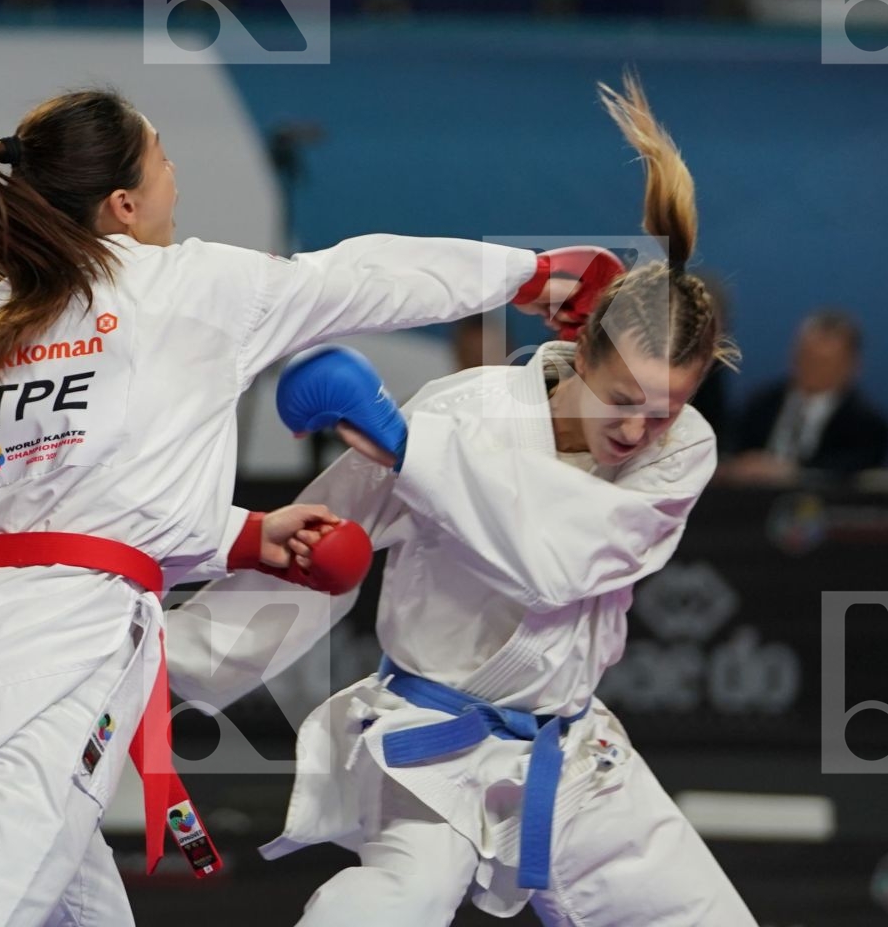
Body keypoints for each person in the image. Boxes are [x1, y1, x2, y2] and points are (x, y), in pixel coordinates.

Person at [0, 88, 613, 927]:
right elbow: (366, 275)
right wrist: (534, 274)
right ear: (124, 204)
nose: (175, 176)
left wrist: (241, 535)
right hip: (56, 660)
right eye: (162, 158)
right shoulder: (188, 284)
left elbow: (12, 518)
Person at [168, 75, 758, 926]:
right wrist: (168, 671)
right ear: (581, 353)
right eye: (623, 397)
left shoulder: (682, 452)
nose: (640, 428)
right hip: (431, 747)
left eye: (665, 409)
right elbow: (316, 554)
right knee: (399, 897)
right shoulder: (462, 412)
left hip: (571, 750)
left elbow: (560, 559)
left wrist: (413, 455)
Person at [722, 309, 888, 482]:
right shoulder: (760, 404)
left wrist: (792, 472)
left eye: (825, 362)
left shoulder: (867, 424)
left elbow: (849, 471)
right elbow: (729, 450)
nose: (813, 369)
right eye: (807, 358)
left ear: (852, 365)